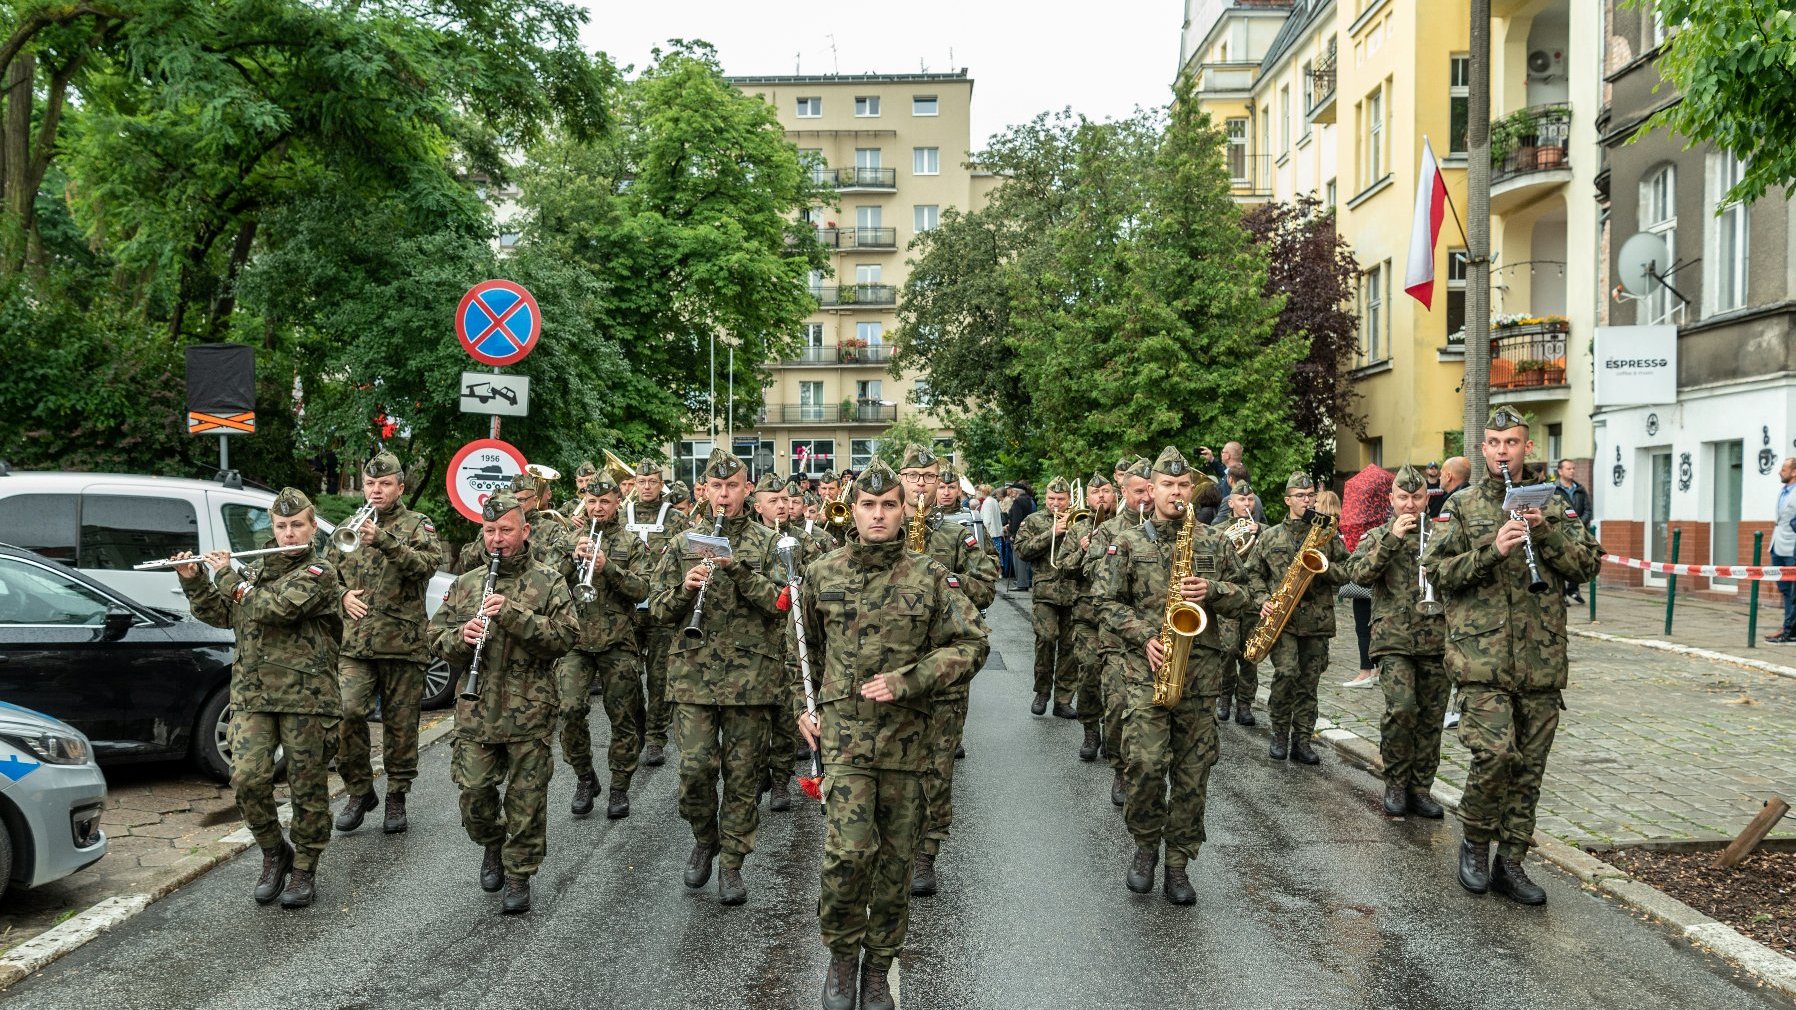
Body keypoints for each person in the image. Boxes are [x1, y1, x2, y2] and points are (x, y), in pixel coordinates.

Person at [797, 458, 987, 1010]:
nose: (877, 515)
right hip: (844, 740)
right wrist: (801, 709)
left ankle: (879, 966)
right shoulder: (823, 573)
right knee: (848, 854)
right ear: (851, 511)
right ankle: (841, 959)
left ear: (905, 511)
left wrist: (911, 680)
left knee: (897, 861)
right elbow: (801, 649)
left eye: (888, 506)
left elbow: (972, 644)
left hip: (908, 741)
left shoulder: (929, 576)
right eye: (867, 505)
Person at [1425, 405, 1601, 905]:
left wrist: (1543, 529)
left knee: (1530, 768)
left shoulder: (1556, 502)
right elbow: (1436, 571)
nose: (1504, 452)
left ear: (1527, 447)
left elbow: (1587, 564)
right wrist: (1492, 551)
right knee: (1496, 755)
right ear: (1483, 449)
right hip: (1482, 660)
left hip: (1541, 662)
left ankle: (1512, 861)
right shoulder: (1461, 505)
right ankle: (1477, 842)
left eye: (1513, 443)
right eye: (1495, 443)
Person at [1097, 447, 1256, 906]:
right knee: (1145, 766)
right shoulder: (1127, 542)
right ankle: (1145, 846)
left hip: (1202, 676)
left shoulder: (1214, 542)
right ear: (1152, 490)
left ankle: (1178, 862)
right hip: (1146, 673)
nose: (1176, 492)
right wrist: (1146, 634)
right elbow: (1106, 604)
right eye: (1167, 485)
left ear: (1192, 489)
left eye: (1184, 485)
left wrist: (1214, 589)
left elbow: (1245, 595)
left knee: (1193, 773)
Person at [176, 488, 342, 909]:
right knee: (247, 778)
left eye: (297, 526)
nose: (289, 534)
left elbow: (278, 609)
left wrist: (228, 577)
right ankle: (274, 851)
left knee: (307, 786)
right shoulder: (257, 566)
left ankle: (305, 865)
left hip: (307, 696)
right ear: (273, 527)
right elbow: (226, 613)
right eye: (281, 526)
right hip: (252, 693)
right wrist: (195, 581)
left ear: (311, 526)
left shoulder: (322, 571)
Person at [648, 448, 787, 906]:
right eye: (716, 487)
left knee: (744, 775)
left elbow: (783, 604)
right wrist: (685, 588)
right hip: (693, 675)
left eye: (733, 487)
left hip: (751, 678)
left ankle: (731, 863)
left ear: (748, 490)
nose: (724, 495)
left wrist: (738, 571)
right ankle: (705, 836)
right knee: (694, 770)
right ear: (704, 491)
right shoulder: (682, 542)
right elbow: (658, 611)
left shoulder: (770, 544)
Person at [429, 492, 577, 914]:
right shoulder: (467, 583)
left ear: (525, 530)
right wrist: (462, 638)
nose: (497, 539)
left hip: (529, 709)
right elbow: (435, 638)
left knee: (526, 801)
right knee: (474, 794)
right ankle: (492, 843)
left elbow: (566, 638)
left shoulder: (549, 580)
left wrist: (513, 615)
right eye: (490, 531)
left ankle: (519, 872)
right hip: (476, 710)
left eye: (506, 530)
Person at [896, 447, 998, 898]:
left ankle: (925, 854)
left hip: (942, 670)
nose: (920, 483)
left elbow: (987, 589)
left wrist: (942, 576)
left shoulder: (960, 536)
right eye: (913, 475)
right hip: (888, 668)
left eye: (929, 476)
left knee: (936, 767)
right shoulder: (873, 533)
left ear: (941, 483)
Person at [329, 452, 442, 837]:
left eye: (385, 484)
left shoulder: (417, 525)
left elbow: (427, 566)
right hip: (356, 643)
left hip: (403, 643)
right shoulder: (347, 526)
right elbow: (324, 577)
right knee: (346, 712)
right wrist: (342, 595)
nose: (376, 490)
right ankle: (360, 790)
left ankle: (397, 793)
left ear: (400, 487)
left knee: (401, 725)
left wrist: (386, 542)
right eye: (370, 484)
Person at [1343, 465, 1448, 818]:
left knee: (1431, 717)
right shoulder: (1376, 535)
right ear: (1391, 499)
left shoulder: (1441, 536)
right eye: (1403, 498)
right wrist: (1392, 540)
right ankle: (1396, 782)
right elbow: (1357, 575)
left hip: (1435, 638)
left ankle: (1421, 788)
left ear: (1426, 500)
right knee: (1401, 709)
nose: (1410, 505)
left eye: (1417, 498)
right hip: (1393, 639)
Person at [558, 470, 651, 819]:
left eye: (605, 502)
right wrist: (571, 560)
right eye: (592, 501)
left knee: (622, 717)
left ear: (617, 503)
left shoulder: (631, 544)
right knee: (568, 711)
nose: (598, 508)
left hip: (617, 642)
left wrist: (608, 567)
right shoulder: (569, 540)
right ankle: (585, 776)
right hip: (575, 641)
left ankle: (619, 787)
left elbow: (643, 589)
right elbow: (547, 580)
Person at [1245, 473, 1349, 765]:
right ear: (1287, 500)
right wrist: (1262, 600)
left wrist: (1323, 568)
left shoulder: (1327, 534)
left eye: (1310, 496)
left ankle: (1302, 739)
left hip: (1317, 621)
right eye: (1300, 496)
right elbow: (1253, 573)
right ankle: (1279, 732)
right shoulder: (1270, 536)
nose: (1306, 501)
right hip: (1283, 620)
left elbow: (1348, 569)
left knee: (1309, 681)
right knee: (1287, 673)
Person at [1088, 458, 1153, 804]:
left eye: (1148, 491)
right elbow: (1089, 570)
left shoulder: (1162, 530)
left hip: (1158, 639)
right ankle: (1119, 767)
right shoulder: (1110, 530)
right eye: (1138, 491)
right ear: (1123, 492)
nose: (1145, 498)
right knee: (1116, 708)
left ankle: (1142, 772)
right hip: (1116, 639)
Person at [625, 459, 689, 766]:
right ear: (636, 483)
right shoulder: (622, 515)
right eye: (641, 481)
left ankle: (655, 738)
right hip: (627, 609)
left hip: (660, 607)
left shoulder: (675, 518)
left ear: (660, 483)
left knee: (660, 677)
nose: (647, 487)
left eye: (652, 481)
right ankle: (638, 727)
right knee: (627, 676)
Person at [1013, 477, 1078, 716]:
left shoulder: (1081, 520)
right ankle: (1042, 691)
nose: (1056, 504)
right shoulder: (1033, 520)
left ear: (1070, 499)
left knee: (1070, 648)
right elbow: (1021, 550)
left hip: (1074, 592)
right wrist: (1051, 533)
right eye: (1051, 499)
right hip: (1045, 593)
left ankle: (1063, 700)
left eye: (1061, 499)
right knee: (1046, 639)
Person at [1211, 482, 1263, 726]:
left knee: (1250, 654)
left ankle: (1245, 704)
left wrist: (1259, 532)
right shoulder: (1218, 530)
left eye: (1250, 500)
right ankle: (1224, 695)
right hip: (1229, 597)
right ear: (1230, 503)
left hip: (1254, 598)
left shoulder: (1264, 531)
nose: (1247, 504)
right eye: (1242, 501)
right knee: (1228, 650)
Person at [1773, 458, 1796, 643]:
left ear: (1794, 472)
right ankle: (1787, 627)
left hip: (1792, 547)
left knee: (1793, 591)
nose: (1780, 471)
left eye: (1784, 468)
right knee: (1785, 589)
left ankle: (1789, 630)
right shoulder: (1783, 491)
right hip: (1777, 545)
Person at [1005, 482, 1036, 588]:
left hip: (1019, 534)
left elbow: (1017, 519)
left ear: (1016, 492)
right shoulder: (1029, 499)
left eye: (1013, 492)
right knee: (1025, 560)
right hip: (1028, 532)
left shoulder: (1018, 501)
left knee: (1018, 559)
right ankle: (1025, 581)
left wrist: (1013, 534)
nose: (1011, 494)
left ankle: (1021, 583)